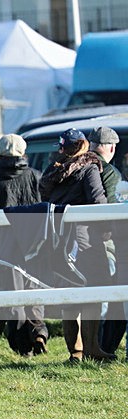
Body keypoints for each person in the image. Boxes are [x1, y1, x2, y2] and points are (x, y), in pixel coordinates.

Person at [39, 128, 114, 363]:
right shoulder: (89, 167)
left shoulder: (52, 170)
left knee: (69, 298)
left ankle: (75, 352)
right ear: (83, 145)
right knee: (92, 293)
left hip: (58, 240)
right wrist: (107, 230)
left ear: (62, 147)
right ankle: (92, 348)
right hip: (85, 241)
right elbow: (98, 200)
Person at [0, 134, 46, 356]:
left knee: (13, 297)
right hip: (35, 246)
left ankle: (22, 347)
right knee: (34, 289)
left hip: (6, 247)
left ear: (0, 152)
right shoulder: (36, 176)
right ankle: (39, 332)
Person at [88, 127, 126, 352]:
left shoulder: (77, 165)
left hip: (72, 240)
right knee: (114, 298)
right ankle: (105, 346)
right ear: (111, 147)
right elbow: (112, 210)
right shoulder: (110, 172)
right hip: (103, 241)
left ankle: (89, 348)